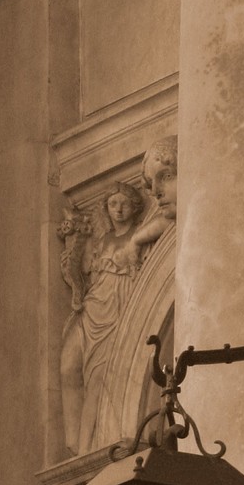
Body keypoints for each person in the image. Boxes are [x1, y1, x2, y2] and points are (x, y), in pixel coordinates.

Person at [59, 183, 147, 454]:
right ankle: (73, 443)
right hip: (92, 308)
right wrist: (76, 242)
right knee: (67, 368)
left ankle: (85, 453)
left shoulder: (138, 236)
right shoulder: (102, 239)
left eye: (124, 203)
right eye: (112, 204)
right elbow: (80, 273)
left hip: (116, 312)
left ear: (135, 207)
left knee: (98, 380)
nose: (118, 209)